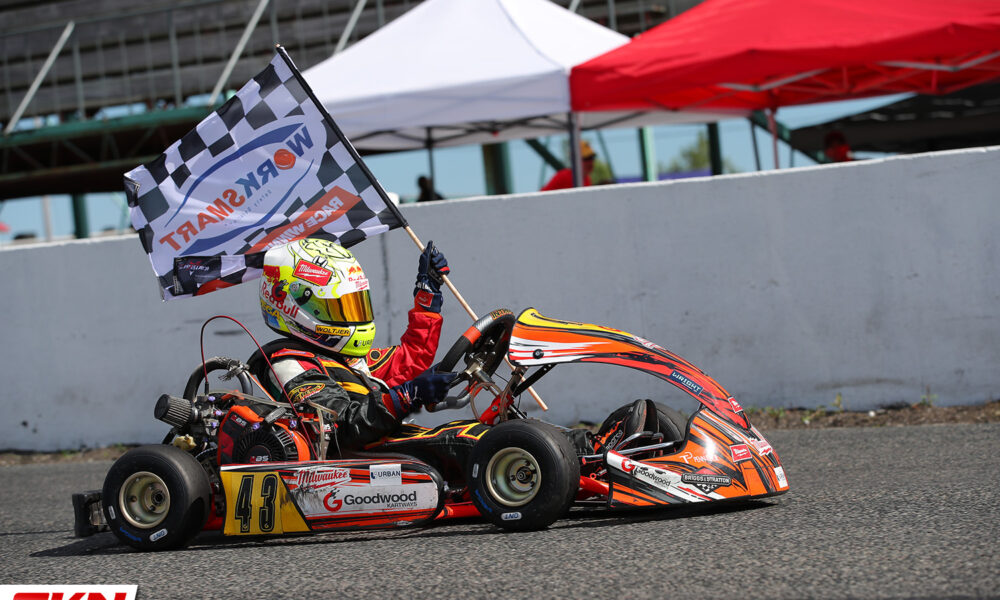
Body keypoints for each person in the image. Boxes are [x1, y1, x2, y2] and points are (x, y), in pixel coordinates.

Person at [252, 237, 457, 454]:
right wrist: (407, 396)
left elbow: (409, 361)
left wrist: (428, 294)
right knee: (470, 445)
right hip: (363, 464)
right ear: (292, 306)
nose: (351, 316)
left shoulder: (341, 357)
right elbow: (340, 427)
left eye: (355, 304)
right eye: (335, 307)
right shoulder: (290, 365)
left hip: (391, 451)